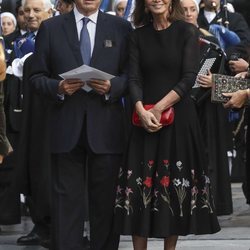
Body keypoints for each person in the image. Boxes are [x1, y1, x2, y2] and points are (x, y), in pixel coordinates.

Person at [114, 0, 220, 249]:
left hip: (179, 120)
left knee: (173, 186)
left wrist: (158, 108)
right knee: (139, 188)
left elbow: (188, 77)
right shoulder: (137, 36)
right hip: (142, 121)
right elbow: (134, 77)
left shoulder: (186, 31)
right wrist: (141, 109)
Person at [29, 0, 132, 249]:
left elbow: (132, 75)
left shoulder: (121, 27)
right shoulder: (51, 28)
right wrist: (58, 87)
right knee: (65, 206)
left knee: (106, 205)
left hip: (106, 128)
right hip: (65, 127)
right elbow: (36, 77)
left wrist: (113, 87)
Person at [181, 0, 233, 215]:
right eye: (184, 10)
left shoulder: (210, 41)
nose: (189, 14)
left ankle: (214, 202)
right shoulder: (173, 37)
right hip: (183, 105)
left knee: (211, 153)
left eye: (192, 9)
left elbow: (228, 79)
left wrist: (215, 82)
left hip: (209, 109)